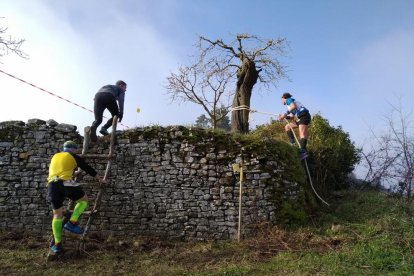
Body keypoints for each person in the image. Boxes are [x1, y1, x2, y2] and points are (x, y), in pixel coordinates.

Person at [46, 141, 106, 253]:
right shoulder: (72, 156)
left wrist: (74, 174)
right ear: (73, 149)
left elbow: (61, 170)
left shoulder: (55, 156)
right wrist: (99, 178)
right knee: (83, 201)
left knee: (57, 215)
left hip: (52, 185)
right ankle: (72, 223)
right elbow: (87, 167)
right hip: (65, 183)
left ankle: (57, 245)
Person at [278, 92, 311, 160]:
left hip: (303, 116)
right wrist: (284, 117)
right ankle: (292, 143)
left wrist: (284, 114)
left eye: (281, 100)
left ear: (284, 98)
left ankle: (303, 152)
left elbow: (293, 106)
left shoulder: (288, 100)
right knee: (287, 127)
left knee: (302, 133)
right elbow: (292, 117)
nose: (281, 101)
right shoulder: (289, 105)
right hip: (299, 117)